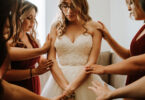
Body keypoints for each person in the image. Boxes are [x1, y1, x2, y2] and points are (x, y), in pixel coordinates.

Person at [41, 0, 116, 100]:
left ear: (81, 5)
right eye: (65, 6)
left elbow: (92, 62)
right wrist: (66, 88)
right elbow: (51, 60)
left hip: (86, 79)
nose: (68, 11)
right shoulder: (55, 26)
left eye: (73, 6)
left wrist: (71, 88)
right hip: (59, 80)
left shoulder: (95, 27)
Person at [0, 0, 61, 100]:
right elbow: (5, 75)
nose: (33, 23)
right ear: (18, 17)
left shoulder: (32, 38)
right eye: (29, 18)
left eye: (34, 18)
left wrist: (44, 61)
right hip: (18, 86)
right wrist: (34, 71)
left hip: (34, 83)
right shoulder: (9, 40)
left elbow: (38, 58)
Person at [86, 0, 145, 100]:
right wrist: (109, 38)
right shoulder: (143, 27)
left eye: (131, 3)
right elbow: (130, 56)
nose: (129, 8)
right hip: (131, 89)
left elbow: (138, 63)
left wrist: (105, 69)